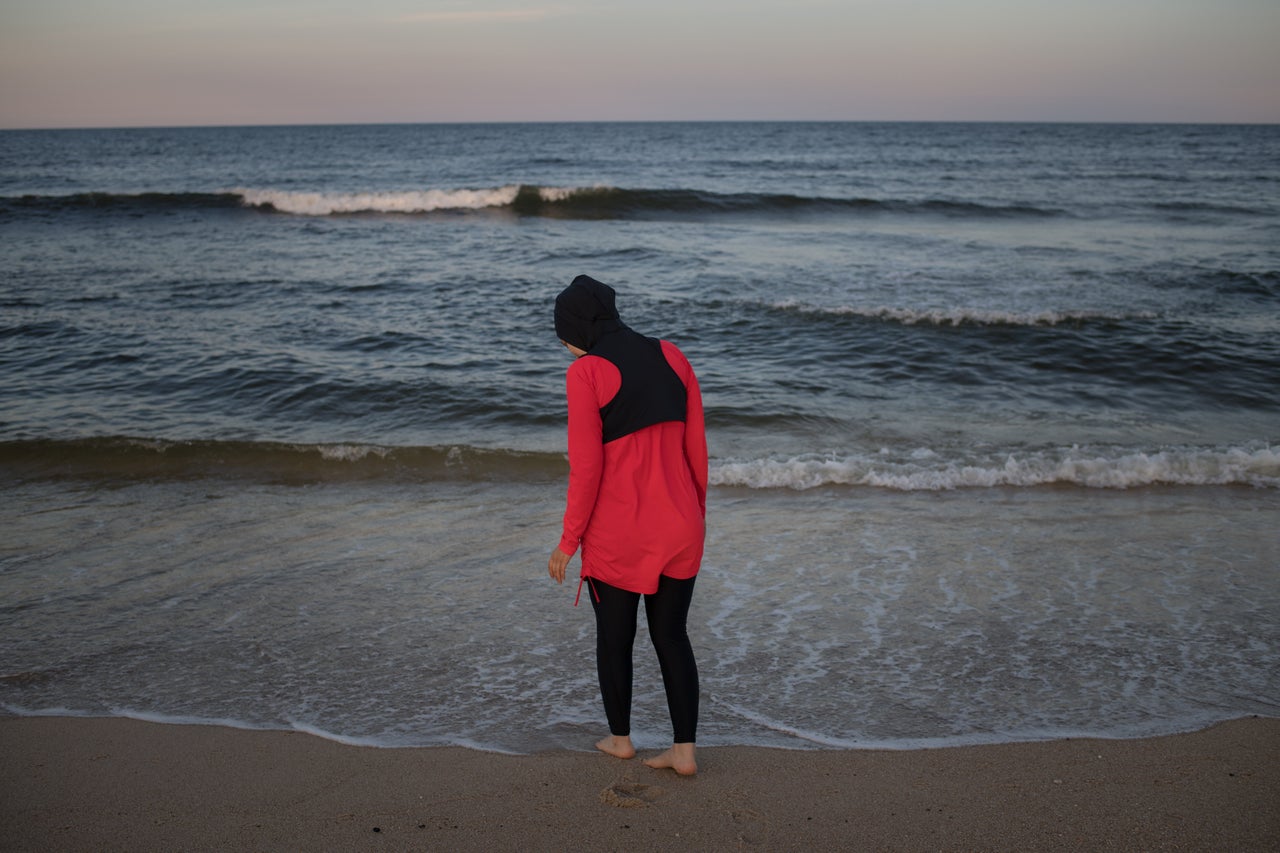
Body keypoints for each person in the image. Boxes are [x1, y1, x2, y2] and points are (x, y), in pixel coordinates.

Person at [547, 274, 708, 776]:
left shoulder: (586, 373)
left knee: (615, 639)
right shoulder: (672, 355)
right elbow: (697, 450)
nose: (566, 349)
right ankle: (684, 751)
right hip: (682, 525)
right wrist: (695, 514)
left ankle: (621, 740)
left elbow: (587, 468)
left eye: (564, 338)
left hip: (621, 534)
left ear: (577, 328)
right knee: (672, 636)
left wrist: (568, 541)